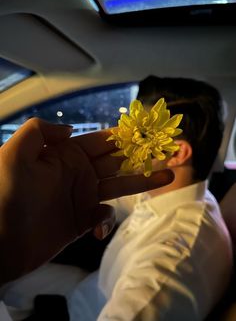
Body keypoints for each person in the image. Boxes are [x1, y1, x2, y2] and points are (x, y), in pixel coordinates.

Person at [67, 76, 233, 321]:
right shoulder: (168, 193)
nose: (122, 142)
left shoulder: (168, 265)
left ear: (176, 153)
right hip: (90, 291)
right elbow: (114, 198)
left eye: (138, 135)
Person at [0, 117, 174, 320]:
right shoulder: (153, 200)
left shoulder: (169, 258)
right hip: (91, 288)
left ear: (179, 152)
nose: (137, 142)